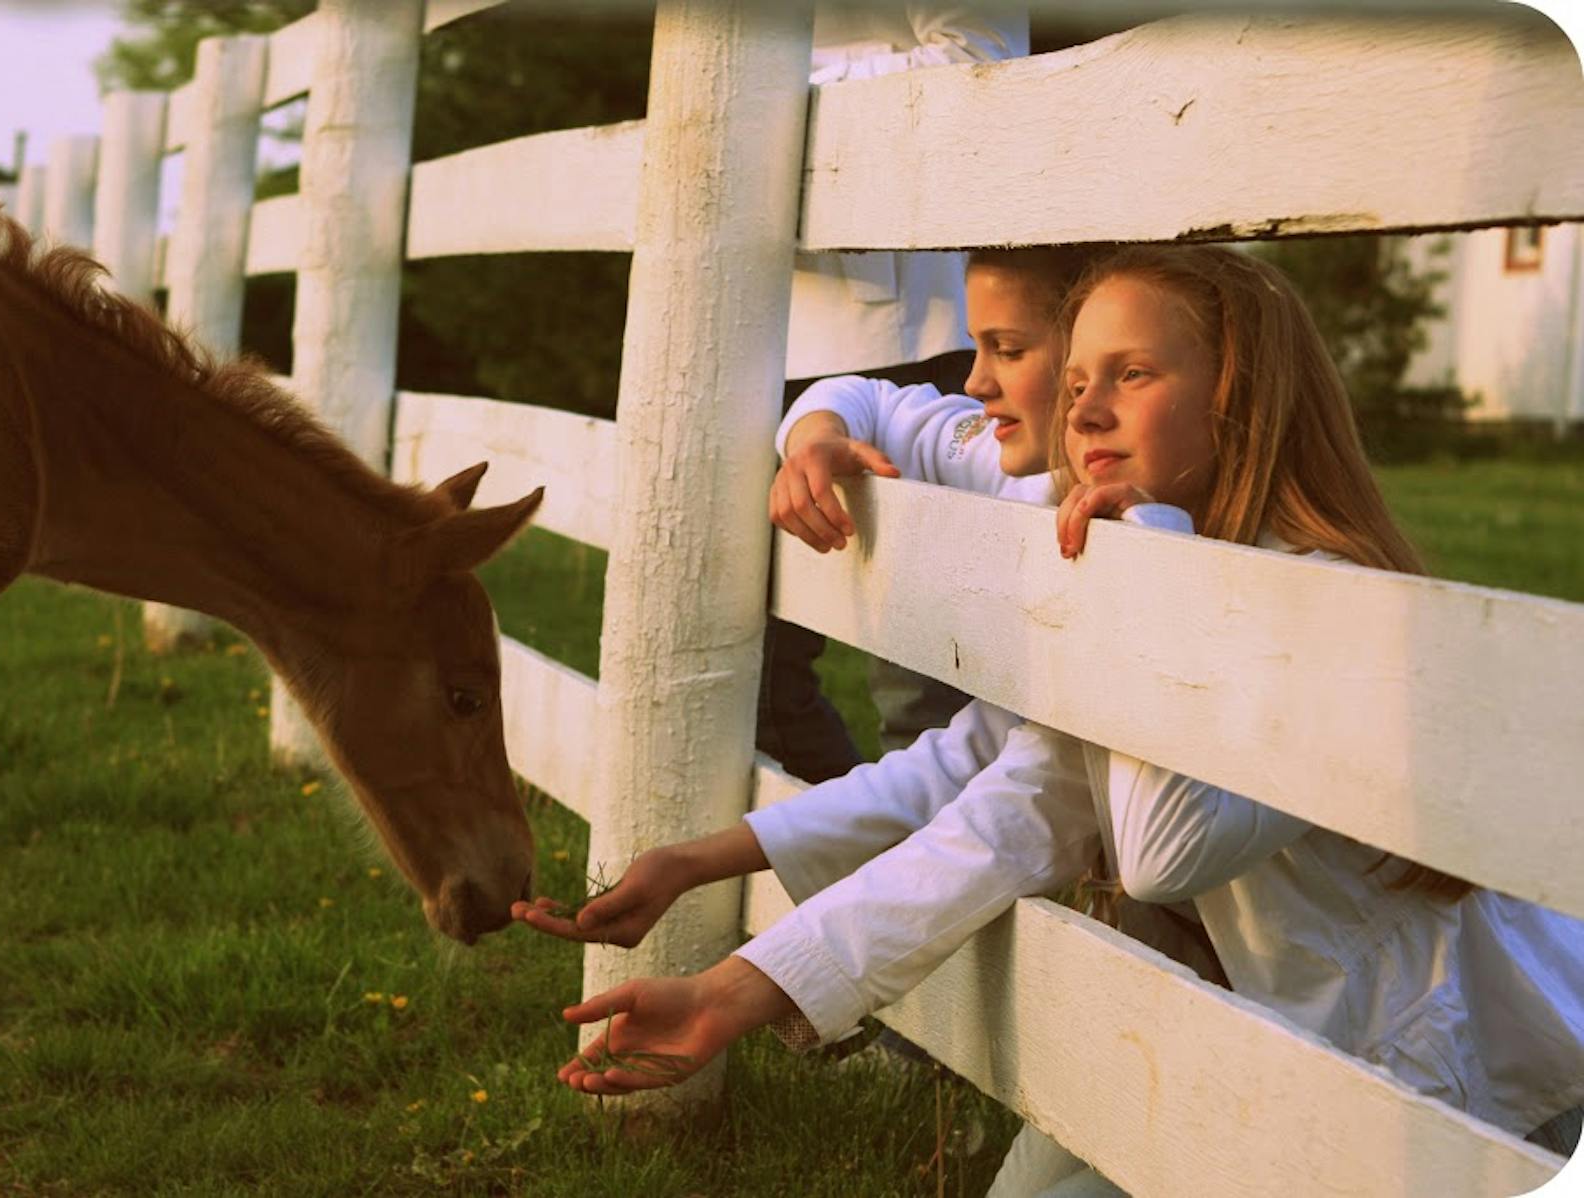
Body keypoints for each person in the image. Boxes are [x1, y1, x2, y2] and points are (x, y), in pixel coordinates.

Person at [525, 246, 1584, 1192]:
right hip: (1304, 1042)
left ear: (1240, 398)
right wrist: (731, 990)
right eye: (1075, 379)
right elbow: (995, 803)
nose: (1080, 413)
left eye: (1131, 374)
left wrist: (1150, 564)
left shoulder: (1320, 602)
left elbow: (1165, 854)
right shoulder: (1150, 581)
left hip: (1479, 1082)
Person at [758, 2, 1031, 784]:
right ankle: (866, 869)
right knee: (753, 678)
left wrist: (760, 98)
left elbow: (981, 58)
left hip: (911, 337)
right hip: (747, 339)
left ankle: (947, 887)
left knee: (924, 689)